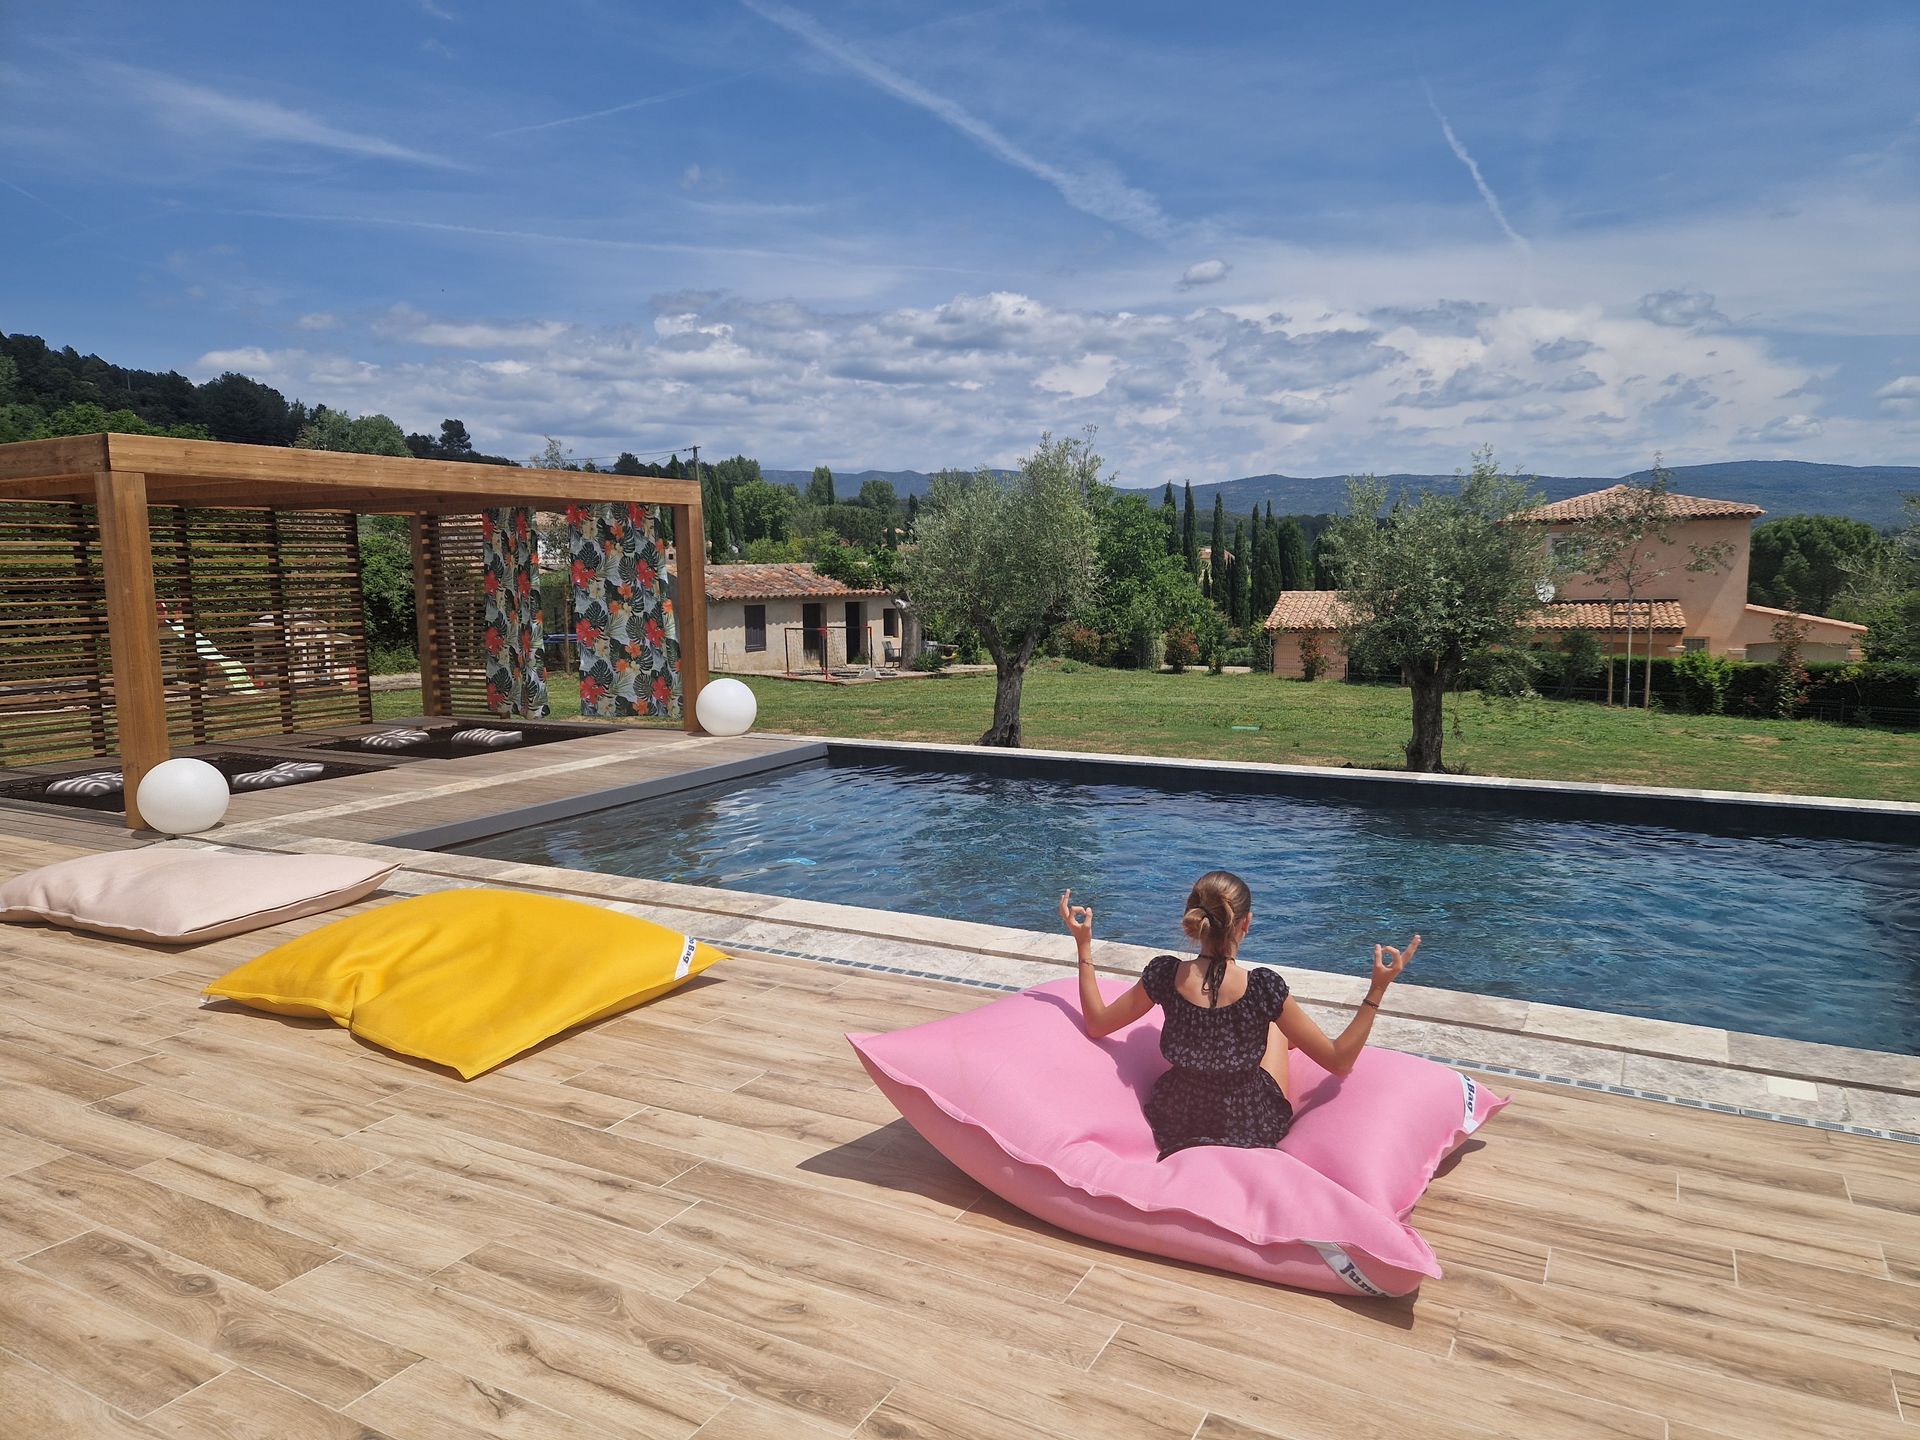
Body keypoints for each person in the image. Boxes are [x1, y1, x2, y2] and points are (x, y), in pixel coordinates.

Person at [1060, 870, 1418, 1161]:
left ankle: (1284, 1034)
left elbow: (1097, 1023)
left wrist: (1084, 944)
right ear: (1245, 923)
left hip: (1179, 1118)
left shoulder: (1165, 976)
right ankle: (1287, 1036)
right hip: (1249, 1123)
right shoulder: (1263, 988)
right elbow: (1339, 1062)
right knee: (1275, 1028)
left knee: (1271, 1022)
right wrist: (1377, 989)